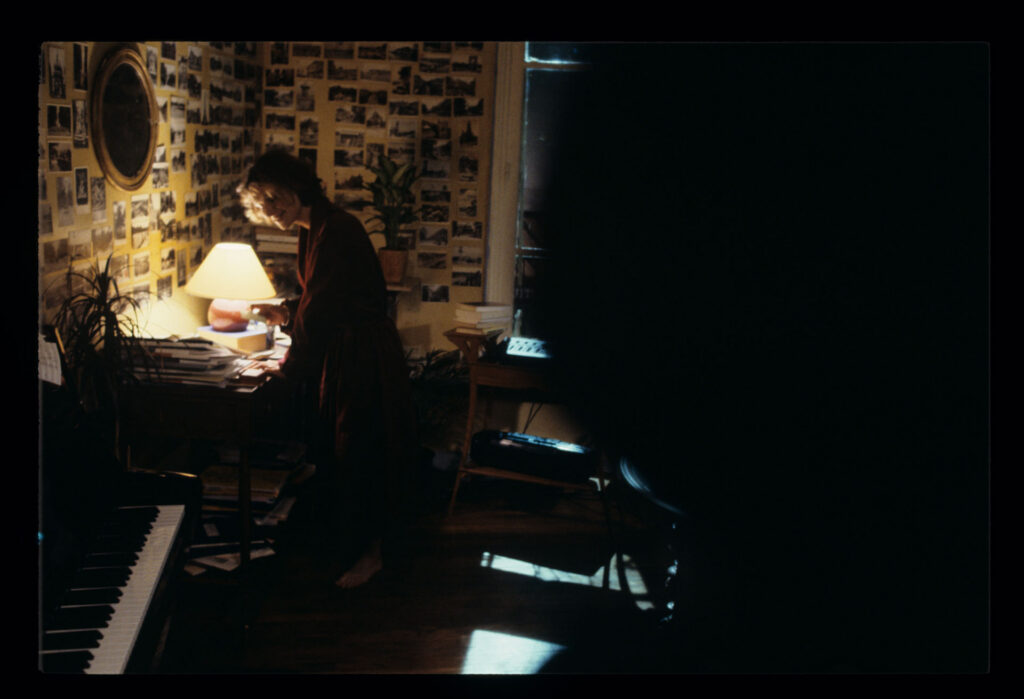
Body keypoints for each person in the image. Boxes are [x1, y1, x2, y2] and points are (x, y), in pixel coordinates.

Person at [236, 150, 417, 589]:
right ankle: (353, 547)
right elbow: (326, 298)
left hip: (363, 354)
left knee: (361, 450)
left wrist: (287, 367)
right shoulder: (313, 228)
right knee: (346, 451)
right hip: (348, 349)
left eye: (276, 199)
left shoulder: (336, 228)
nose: (272, 210)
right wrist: (286, 311)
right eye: (264, 204)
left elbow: (323, 311)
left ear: (297, 189)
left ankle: (371, 555)